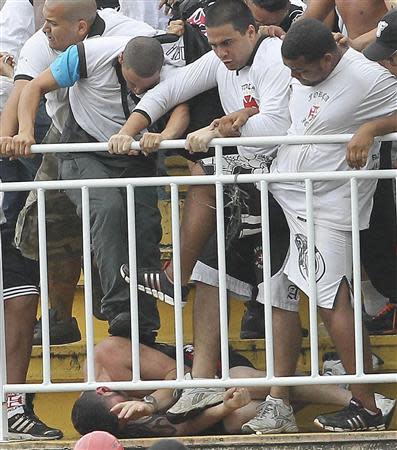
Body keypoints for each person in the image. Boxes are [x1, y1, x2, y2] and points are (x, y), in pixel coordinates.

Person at [110, 0, 302, 434]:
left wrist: (218, 131)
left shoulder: (273, 57)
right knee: (209, 274)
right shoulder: (218, 63)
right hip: (241, 187)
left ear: (253, 31)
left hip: (287, 189)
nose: (220, 52)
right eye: (214, 44)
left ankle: (281, 403)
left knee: (277, 293)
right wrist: (129, 129)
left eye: (228, 42)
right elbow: (168, 91)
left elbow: (280, 123)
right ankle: (202, 382)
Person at [258, 17, 397, 432]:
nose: (296, 79)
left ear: (327, 57)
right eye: (291, 72)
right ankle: (285, 402)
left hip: (331, 204)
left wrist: (371, 129)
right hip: (289, 194)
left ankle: (368, 407)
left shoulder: (368, 76)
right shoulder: (309, 72)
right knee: (280, 291)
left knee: (332, 299)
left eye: (302, 70)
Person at [13, 35, 193, 343]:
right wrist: (26, 131)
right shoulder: (87, 54)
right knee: (106, 207)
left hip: (137, 156)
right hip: (84, 149)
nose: (138, 91)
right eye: (133, 83)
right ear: (121, 60)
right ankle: (119, 307)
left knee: (145, 224)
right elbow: (34, 87)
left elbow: (181, 108)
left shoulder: (171, 66)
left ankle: (144, 318)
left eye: (146, 88)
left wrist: (164, 134)